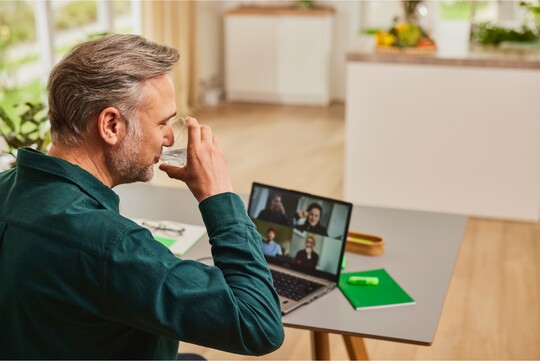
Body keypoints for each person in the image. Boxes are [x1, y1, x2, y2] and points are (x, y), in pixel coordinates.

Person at [0, 34, 284, 359]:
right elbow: (259, 323)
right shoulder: (112, 247)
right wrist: (219, 196)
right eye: (162, 122)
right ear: (111, 125)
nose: (167, 137)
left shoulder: (6, 188)